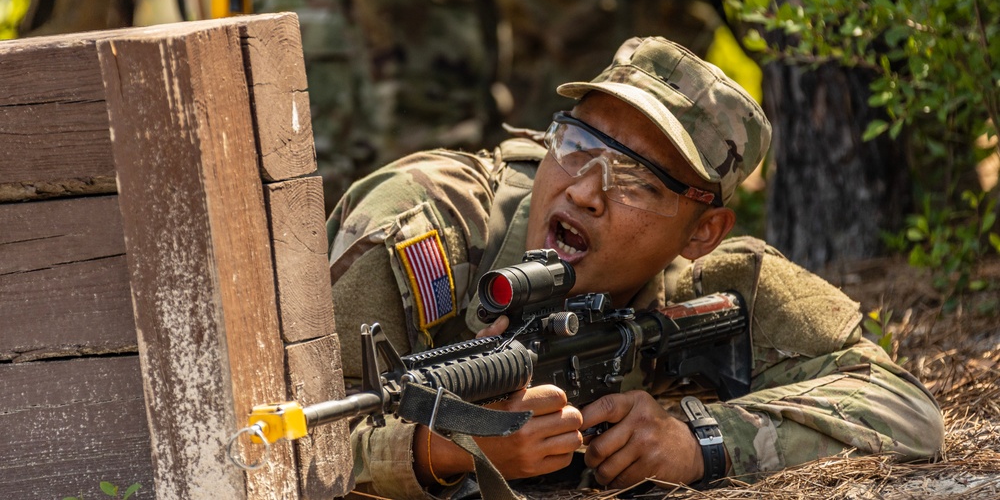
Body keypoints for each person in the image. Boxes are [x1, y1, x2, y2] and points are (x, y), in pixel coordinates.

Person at [326, 36, 944, 499]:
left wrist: (698, 444)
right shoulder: (416, 231)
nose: (585, 191)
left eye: (639, 182)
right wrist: (446, 450)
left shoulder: (710, 289)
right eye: (575, 145)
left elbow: (906, 411)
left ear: (702, 232)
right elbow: (278, 447)